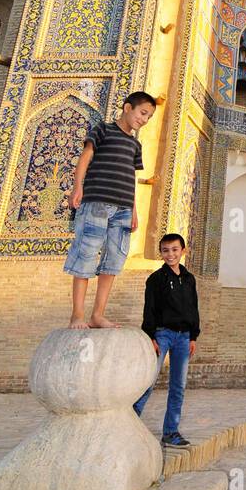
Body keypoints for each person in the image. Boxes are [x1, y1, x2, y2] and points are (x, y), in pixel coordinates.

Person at [64, 92, 157, 329]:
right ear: (128, 108)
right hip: (96, 201)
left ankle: (98, 314)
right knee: (86, 254)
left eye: (149, 117)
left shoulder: (135, 144)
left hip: (123, 208)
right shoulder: (102, 129)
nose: (144, 120)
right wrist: (77, 187)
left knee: (113, 260)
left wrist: (134, 210)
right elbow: (86, 157)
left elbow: (131, 177)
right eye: (142, 113)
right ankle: (77, 315)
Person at [133, 232, 200, 449]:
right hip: (162, 334)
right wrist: (151, 336)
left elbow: (193, 309)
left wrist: (193, 336)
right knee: (148, 381)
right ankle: (129, 425)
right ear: (161, 253)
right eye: (165, 250)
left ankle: (170, 432)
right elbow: (149, 309)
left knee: (178, 386)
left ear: (183, 251)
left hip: (183, 337)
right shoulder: (156, 279)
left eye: (174, 250)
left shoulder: (189, 279)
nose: (170, 254)